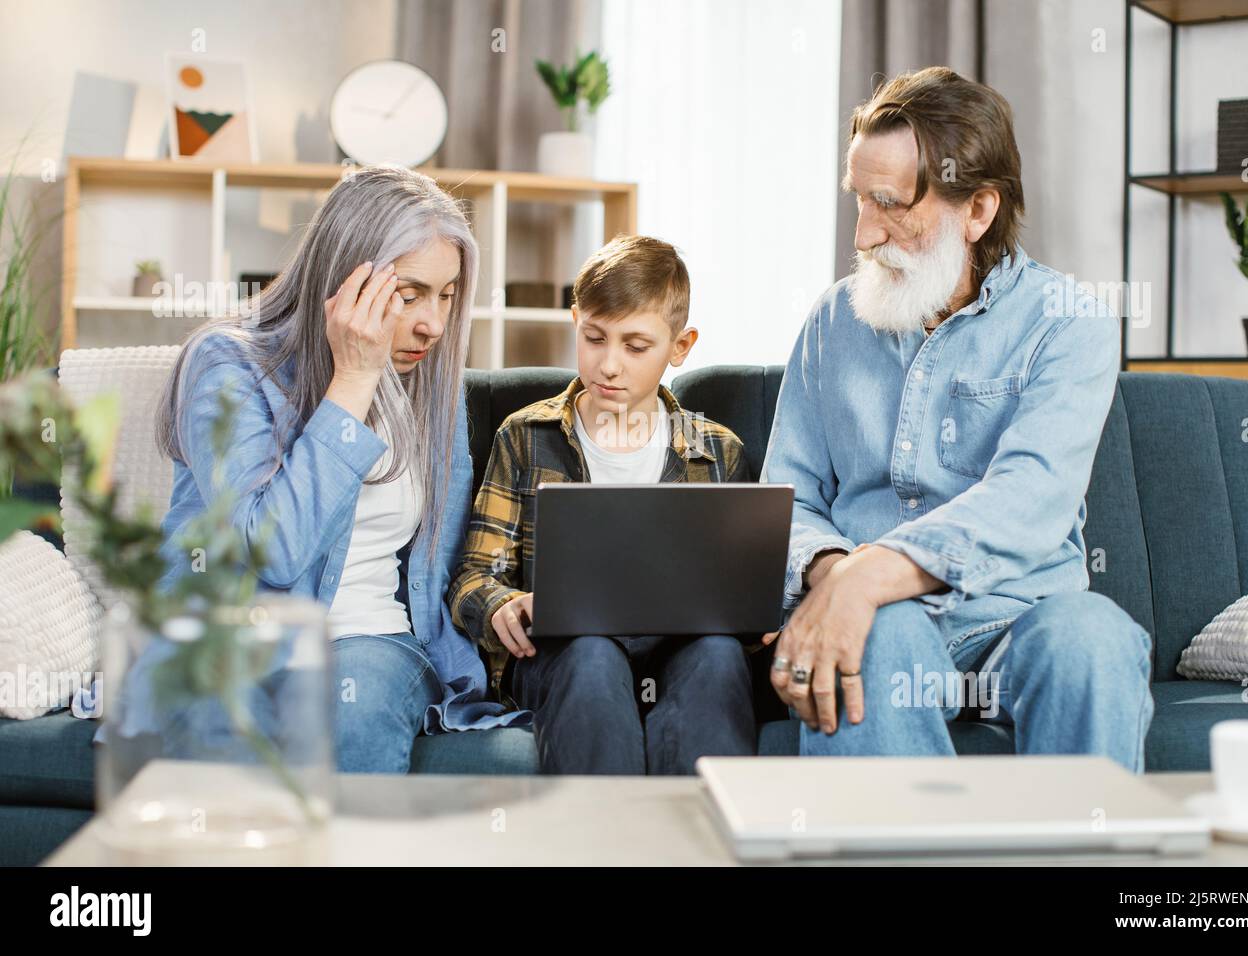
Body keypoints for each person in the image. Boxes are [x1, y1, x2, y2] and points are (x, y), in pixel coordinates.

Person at [762, 67, 1154, 770]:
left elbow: (1029, 501)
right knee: (879, 634)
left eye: (890, 204)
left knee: (1095, 640)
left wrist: (873, 571)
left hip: (1019, 612)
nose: (863, 234)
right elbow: (787, 498)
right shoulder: (832, 320)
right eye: (858, 199)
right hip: (880, 618)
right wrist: (834, 572)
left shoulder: (1069, 323)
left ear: (978, 211)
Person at [152, 163, 527, 773]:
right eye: (409, 295)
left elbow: (448, 554)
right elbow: (272, 548)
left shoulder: (431, 386)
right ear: (345, 278)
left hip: (371, 639)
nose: (433, 323)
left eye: (448, 295)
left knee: (350, 708)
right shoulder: (228, 364)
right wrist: (353, 379)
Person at [449, 235, 756, 774]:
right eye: (594, 338)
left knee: (718, 654)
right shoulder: (525, 436)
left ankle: (701, 845)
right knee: (590, 653)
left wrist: (760, 615)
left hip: (680, 653)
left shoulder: (718, 452)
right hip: (568, 655)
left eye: (636, 347)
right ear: (575, 323)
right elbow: (474, 575)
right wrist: (502, 604)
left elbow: (745, 598)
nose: (609, 364)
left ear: (680, 347)